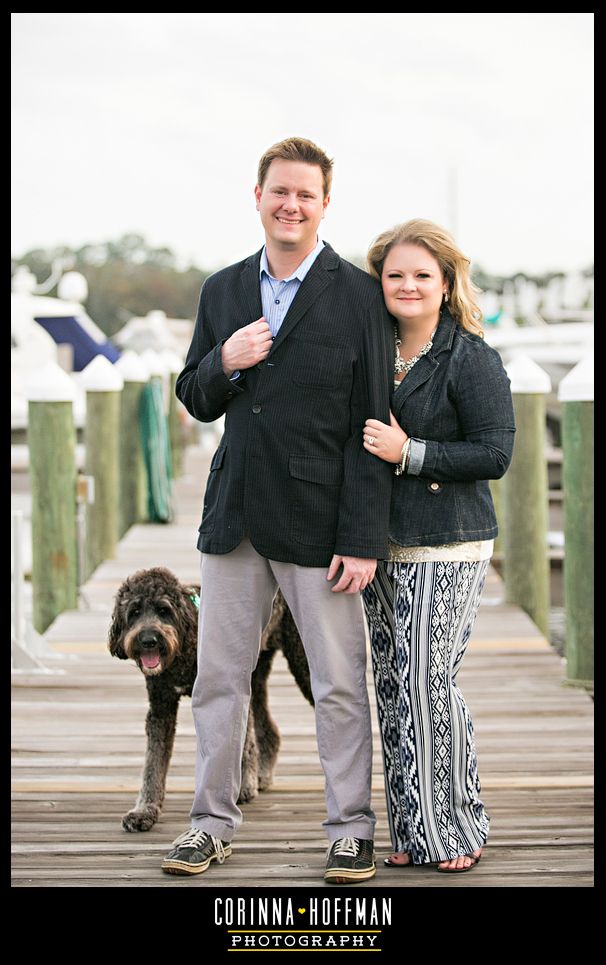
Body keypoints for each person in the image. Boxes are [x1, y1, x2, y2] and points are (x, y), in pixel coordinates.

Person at [162, 137, 394, 883]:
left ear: (325, 203)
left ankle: (351, 829)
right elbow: (194, 397)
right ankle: (209, 823)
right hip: (233, 518)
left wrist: (363, 537)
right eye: (278, 192)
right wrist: (223, 361)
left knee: (337, 682)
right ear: (256, 196)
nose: (290, 204)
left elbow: (371, 424)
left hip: (322, 526)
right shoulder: (221, 290)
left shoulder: (360, 296)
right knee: (217, 680)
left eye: (305, 194)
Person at [361, 219, 515, 874]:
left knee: (431, 682)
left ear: (446, 282)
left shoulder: (471, 357)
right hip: (380, 545)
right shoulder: (369, 352)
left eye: (423, 274)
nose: (408, 285)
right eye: (396, 274)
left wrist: (409, 452)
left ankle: (459, 823)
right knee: (396, 687)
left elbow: (495, 452)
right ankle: (414, 829)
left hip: (448, 544)